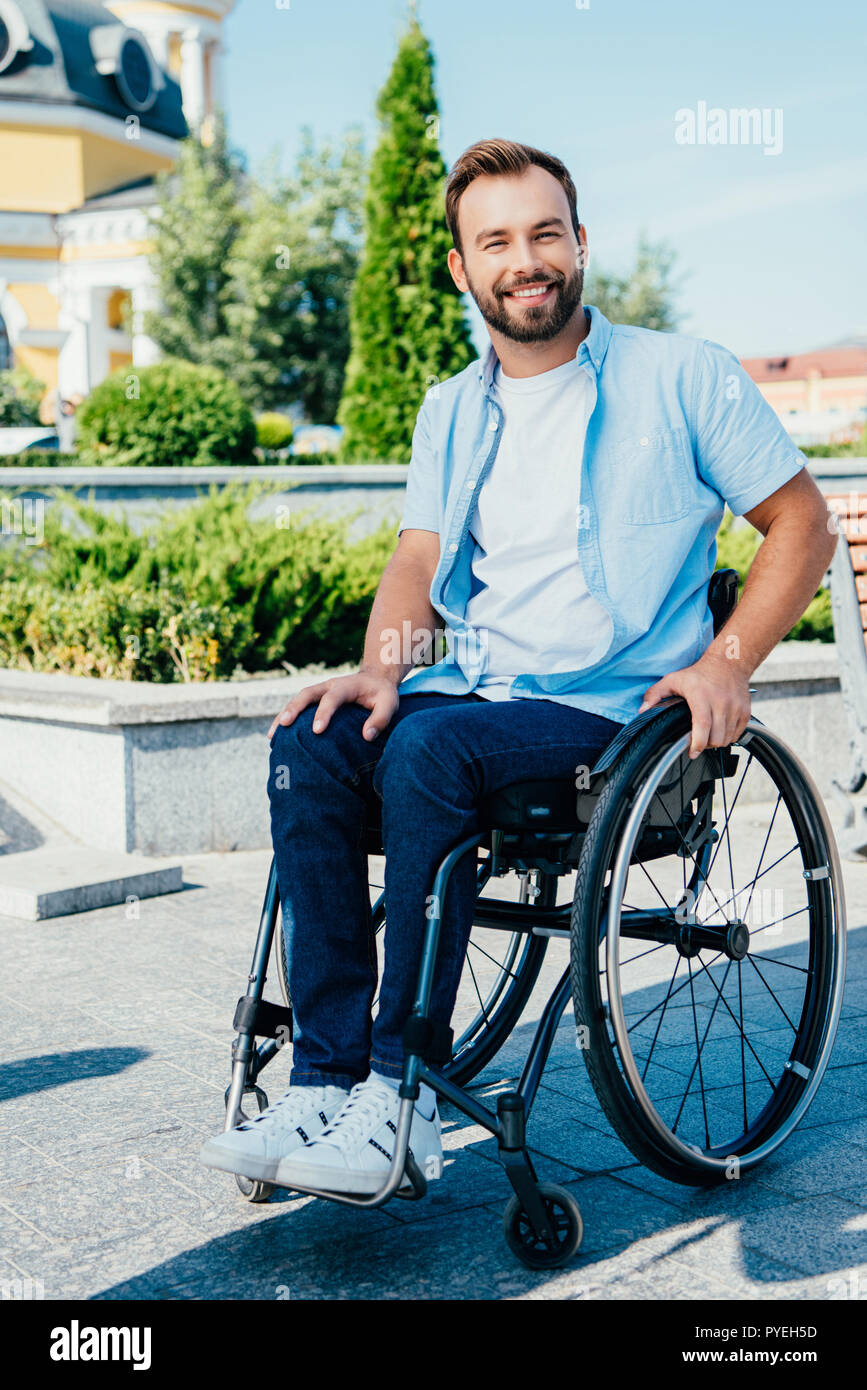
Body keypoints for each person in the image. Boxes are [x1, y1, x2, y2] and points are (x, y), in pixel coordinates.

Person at [200, 138, 837, 1195]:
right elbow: (420, 558)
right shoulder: (450, 408)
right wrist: (379, 672)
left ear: (580, 244)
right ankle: (324, 1080)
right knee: (311, 742)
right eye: (496, 241)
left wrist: (729, 663)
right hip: (476, 697)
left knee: (432, 756)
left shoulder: (683, 374)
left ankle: (400, 1100)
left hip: (615, 716)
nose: (525, 258)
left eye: (545, 233)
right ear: (463, 268)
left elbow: (803, 525)